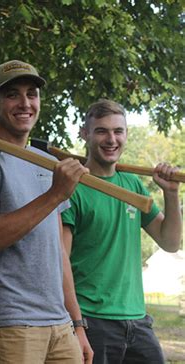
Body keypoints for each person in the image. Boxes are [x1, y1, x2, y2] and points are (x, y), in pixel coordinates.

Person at [0, 59, 93, 363]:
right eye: (13, 94)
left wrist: (78, 324)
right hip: (11, 324)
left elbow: (58, 251)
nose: (25, 103)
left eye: (32, 93)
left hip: (59, 324)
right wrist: (56, 193)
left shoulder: (45, 162)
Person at [61, 99, 182, 364]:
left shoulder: (133, 186)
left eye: (118, 131)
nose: (111, 139)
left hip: (138, 320)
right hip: (94, 320)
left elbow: (170, 242)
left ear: (126, 134)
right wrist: (77, 322)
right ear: (85, 134)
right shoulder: (72, 187)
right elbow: (61, 263)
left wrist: (170, 194)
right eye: (102, 131)